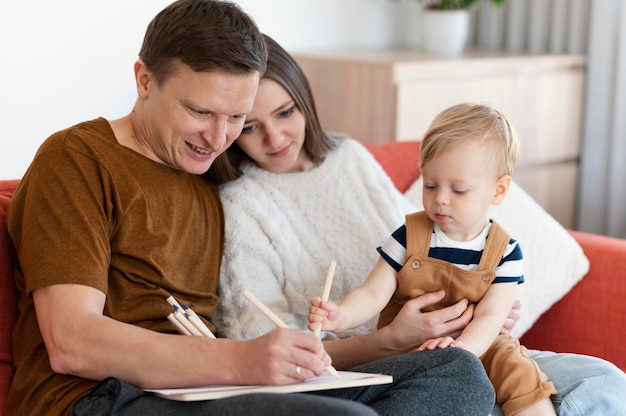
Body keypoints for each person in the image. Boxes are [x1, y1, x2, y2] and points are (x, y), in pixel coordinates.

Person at [4, 1, 471, 415]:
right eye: (201, 112)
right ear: (145, 80)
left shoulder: (216, 178)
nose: (217, 137)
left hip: (213, 389)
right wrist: (241, 361)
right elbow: (72, 342)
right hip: (100, 396)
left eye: (236, 119)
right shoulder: (77, 158)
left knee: (457, 371)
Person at [211, 34, 626, 416]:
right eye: (250, 126)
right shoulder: (240, 203)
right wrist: (383, 337)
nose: (276, 137)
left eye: (286, 112)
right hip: (378, 367)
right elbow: (266, 345)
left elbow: (432, 241)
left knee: (605, 382)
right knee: (477, 390)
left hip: (466, 342)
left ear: (304, 100)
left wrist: (488, 308)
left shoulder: (348, 157)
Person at [307, 103, 557, 416]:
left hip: (476, 343)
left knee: (517, 366)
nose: (440, 198)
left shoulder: (506, 252)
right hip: (412, 346)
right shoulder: (409, 236)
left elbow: (491, 317)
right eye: (430, 185)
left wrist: (462, 351)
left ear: (499, 190)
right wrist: (340, 316)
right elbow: (373, 293)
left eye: (459, 189)